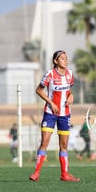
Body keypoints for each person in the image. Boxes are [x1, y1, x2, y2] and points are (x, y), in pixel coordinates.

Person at [29, 50, 80, 182]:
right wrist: (51, 103)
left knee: (63, 145)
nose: (65, 60)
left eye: (66, 58)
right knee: (44, 142)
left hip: (65, 114)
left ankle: (65, 175)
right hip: (50, 113)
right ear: (55, 61)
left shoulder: (69, 74)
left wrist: (72, 96)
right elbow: (38, 90)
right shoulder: (50, 74)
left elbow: (69, 91)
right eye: (62, 58)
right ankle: (36, 173)